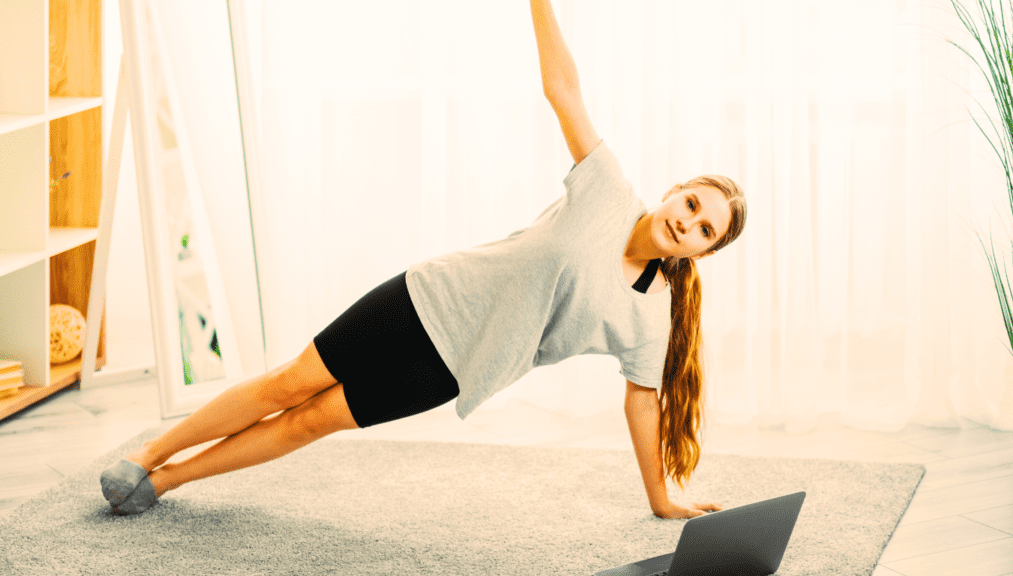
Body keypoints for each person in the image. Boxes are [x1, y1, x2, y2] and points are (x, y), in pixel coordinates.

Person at [100, 0, 747, 520]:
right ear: (674, 190)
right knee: (288, 385)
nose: (686, 221)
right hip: (426, 298)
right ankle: (149, 454)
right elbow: (562, 88)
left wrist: (661, 498)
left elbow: (642, 404)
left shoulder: (649, 321)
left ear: (704, 251)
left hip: (452, 368)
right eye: (691, 203)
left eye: (702, 229)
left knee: (309, 424)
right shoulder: (608, 188)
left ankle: (165, 483)